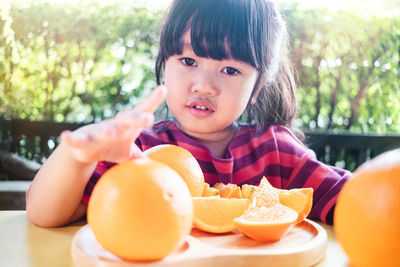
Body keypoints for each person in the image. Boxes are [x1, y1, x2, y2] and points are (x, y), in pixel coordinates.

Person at [26, 0, 351, 227]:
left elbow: (355, 202)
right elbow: (45, 215)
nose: (204, 86)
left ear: (257, 87)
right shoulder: (136, 150)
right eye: (189, 61)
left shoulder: (277, 151)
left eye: (229, 69)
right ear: (164, 63)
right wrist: (77, 158)